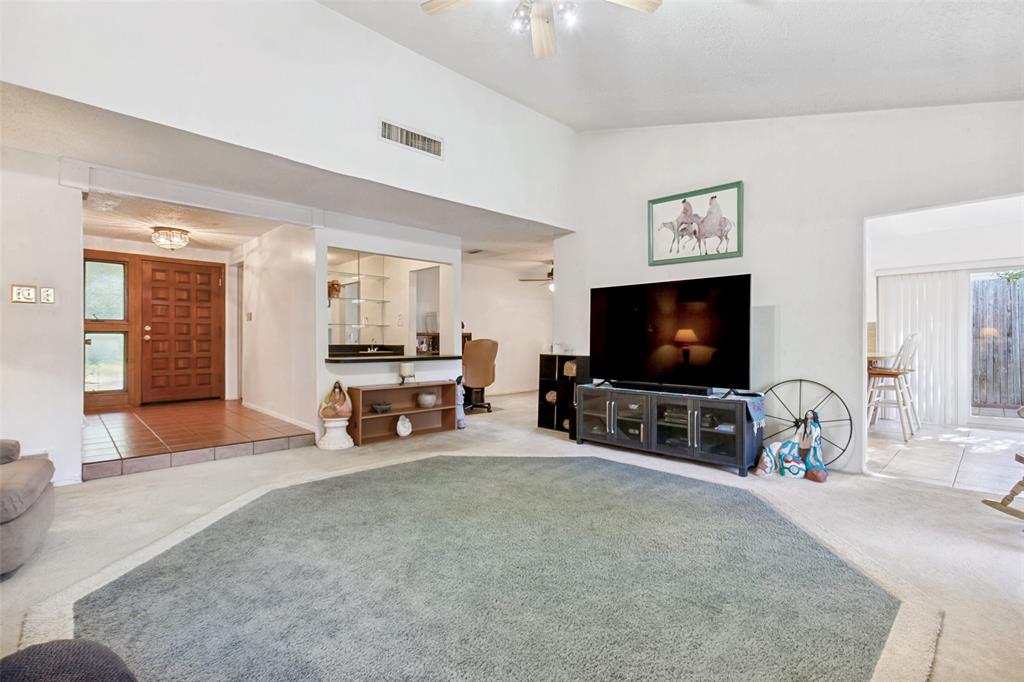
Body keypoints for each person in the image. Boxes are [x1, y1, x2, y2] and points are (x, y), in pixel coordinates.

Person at [755, 410, 828, 482]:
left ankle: (806, 469)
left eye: (811, 418)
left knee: (814, 468)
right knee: (779, 449)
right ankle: (767, 465)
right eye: (807, 418)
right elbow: (796, 437)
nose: (808, 420)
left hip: (810, 452)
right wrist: (787, 445)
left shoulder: (816, 427)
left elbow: (815, 442)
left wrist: (812, 439)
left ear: (814, 418)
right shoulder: (803, 425)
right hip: (799, 450)